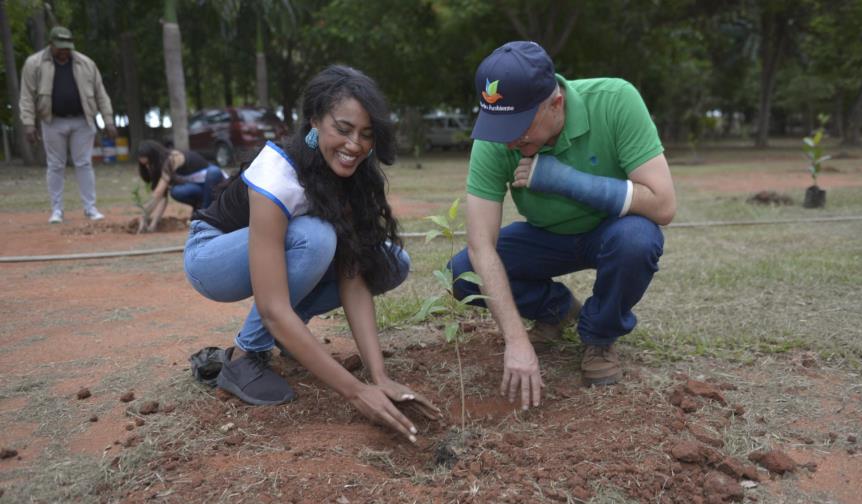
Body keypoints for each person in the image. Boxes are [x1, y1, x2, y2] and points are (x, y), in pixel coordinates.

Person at [183, 65, 439, 442]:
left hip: (281, 252)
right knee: (315, 239)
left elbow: (353, 275)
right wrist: (356, 392)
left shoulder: (352, 174)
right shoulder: (277, 173)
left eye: (366, 135)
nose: (355, 145)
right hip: (212, 255)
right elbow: (271, 305)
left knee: (389, 262)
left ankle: (290, 336)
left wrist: (378, 377)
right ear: (315, 120)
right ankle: (243, 358)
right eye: (344, 129)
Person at [449, 41, 677, 410]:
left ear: (556, 103)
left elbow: (664, 205)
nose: (508, 139)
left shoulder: (616, 100)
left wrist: (567, 180)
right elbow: (481, 244)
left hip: (610, 231)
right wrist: (516, 340)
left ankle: (599, 335)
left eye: (519, 127)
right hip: (547, 238)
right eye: (499, 125)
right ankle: (557, 309)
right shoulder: (497, 140)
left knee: (637, 239)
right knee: (463, 272)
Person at [19, 26, 117, 224]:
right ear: (51, 45)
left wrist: (108, 120)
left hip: (83, 120)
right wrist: (29, 124)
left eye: (67, 47)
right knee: (55, 165)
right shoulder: (34, 63)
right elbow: (27, 96)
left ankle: (90, 208)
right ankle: (57, 210)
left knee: (84, 163)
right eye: (60, 47)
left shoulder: (86, 63)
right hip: (52, 121)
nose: (64, 51)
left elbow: (101, 93)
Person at [135, 140, 226, 232]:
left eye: (149, 163)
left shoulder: (172, 158)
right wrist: (153, 225)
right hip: (199, 187)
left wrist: (144, 215)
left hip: (215, 183)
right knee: (176, 191)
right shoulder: (162, 168)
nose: (148, 167)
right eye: (145, 165)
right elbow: (162, 198)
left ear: (155, 157)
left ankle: (205, 216)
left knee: (213, 171)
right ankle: (200, 208)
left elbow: (158, 193)